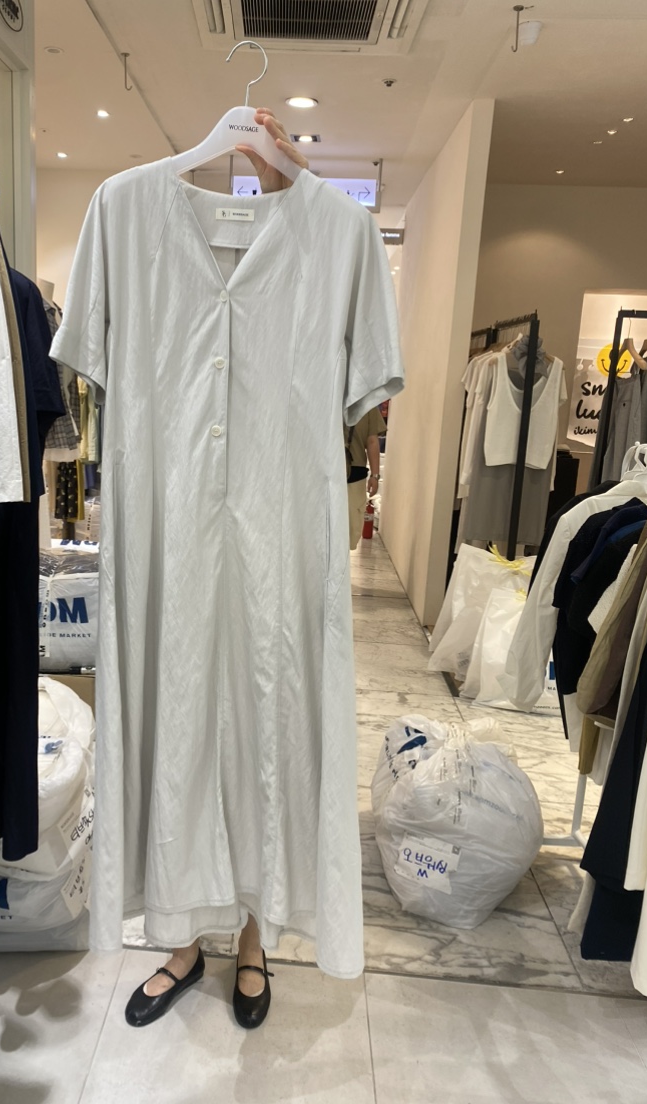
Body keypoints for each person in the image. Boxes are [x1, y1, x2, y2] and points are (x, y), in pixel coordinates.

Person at [124, 109, 311, 1031]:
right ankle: (183, 940)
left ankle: (252, 938)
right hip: (175, 536)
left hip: (277, 543)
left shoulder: (332, 239)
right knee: (184, 728)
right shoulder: (124, 219)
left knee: (260, 730)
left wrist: (290, 185)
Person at [346, 405, 387, 550]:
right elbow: (372, 441)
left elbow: (372, 441)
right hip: (352, 472)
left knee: (348, 527)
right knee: (349, 525)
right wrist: (374, 476)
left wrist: (375, 475)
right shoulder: (367, 402)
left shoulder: (367, 403)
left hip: (350, 473)